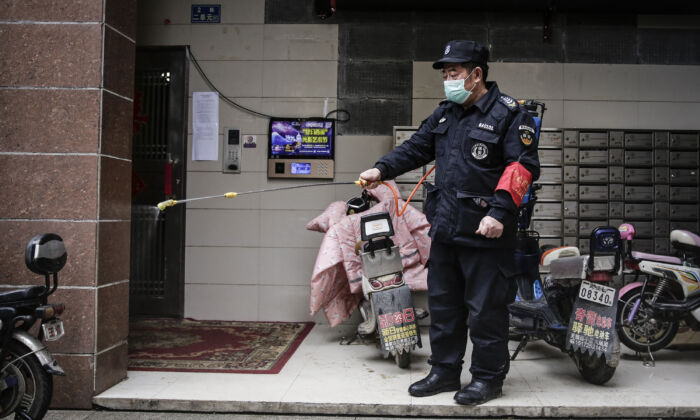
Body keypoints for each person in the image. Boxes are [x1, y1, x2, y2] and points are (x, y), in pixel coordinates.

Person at [359, 40, 540, 405]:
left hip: (486, 232)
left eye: (454, 73)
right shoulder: (446, 114)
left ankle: (488, 378)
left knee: (486, 311)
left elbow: (521, 167)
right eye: (445, 74)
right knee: (444, 307)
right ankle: (444, 371)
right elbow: (415, 147)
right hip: (445, 228)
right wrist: (381, 169)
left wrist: (499, 213)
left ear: (476, 74)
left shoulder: (509, 114)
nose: (447, 79)